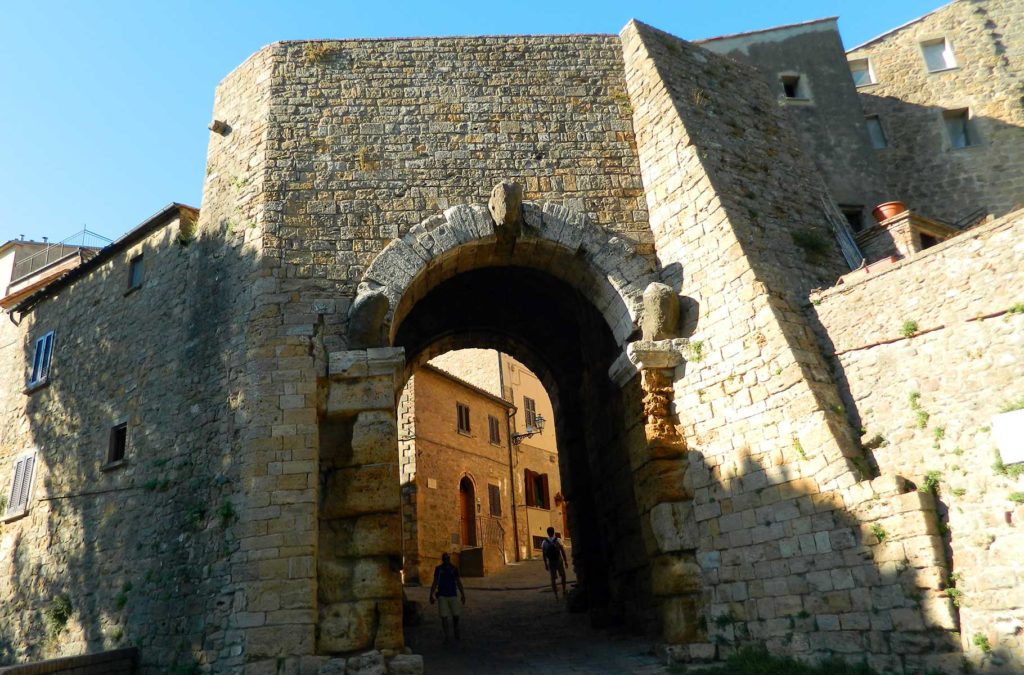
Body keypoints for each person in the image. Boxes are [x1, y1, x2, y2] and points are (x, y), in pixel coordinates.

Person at [429, 552, 466, 642]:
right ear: (443, 559)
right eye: (445, 558)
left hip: (452, 594)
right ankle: (447, 636)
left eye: (447, 558)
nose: (446, 560)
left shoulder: (454, 569)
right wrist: (431, 594)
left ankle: (456, 630)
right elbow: (435, 582)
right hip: (442, 595)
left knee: (456, 615)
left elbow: (458, 581)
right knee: (444, 616)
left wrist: (463, 594)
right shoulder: (439, 569)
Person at [541, 526, 568, 600]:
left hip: (551, 562)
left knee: (553, 579)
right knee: (563, 576)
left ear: (547, 533)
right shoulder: (558, 540)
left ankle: (556, 594)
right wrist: (565, 561)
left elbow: (544, 554)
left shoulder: (544, 542)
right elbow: (562, 551)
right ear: (554, 532)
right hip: (559, 560)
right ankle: (564, 590)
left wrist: (546, 564)